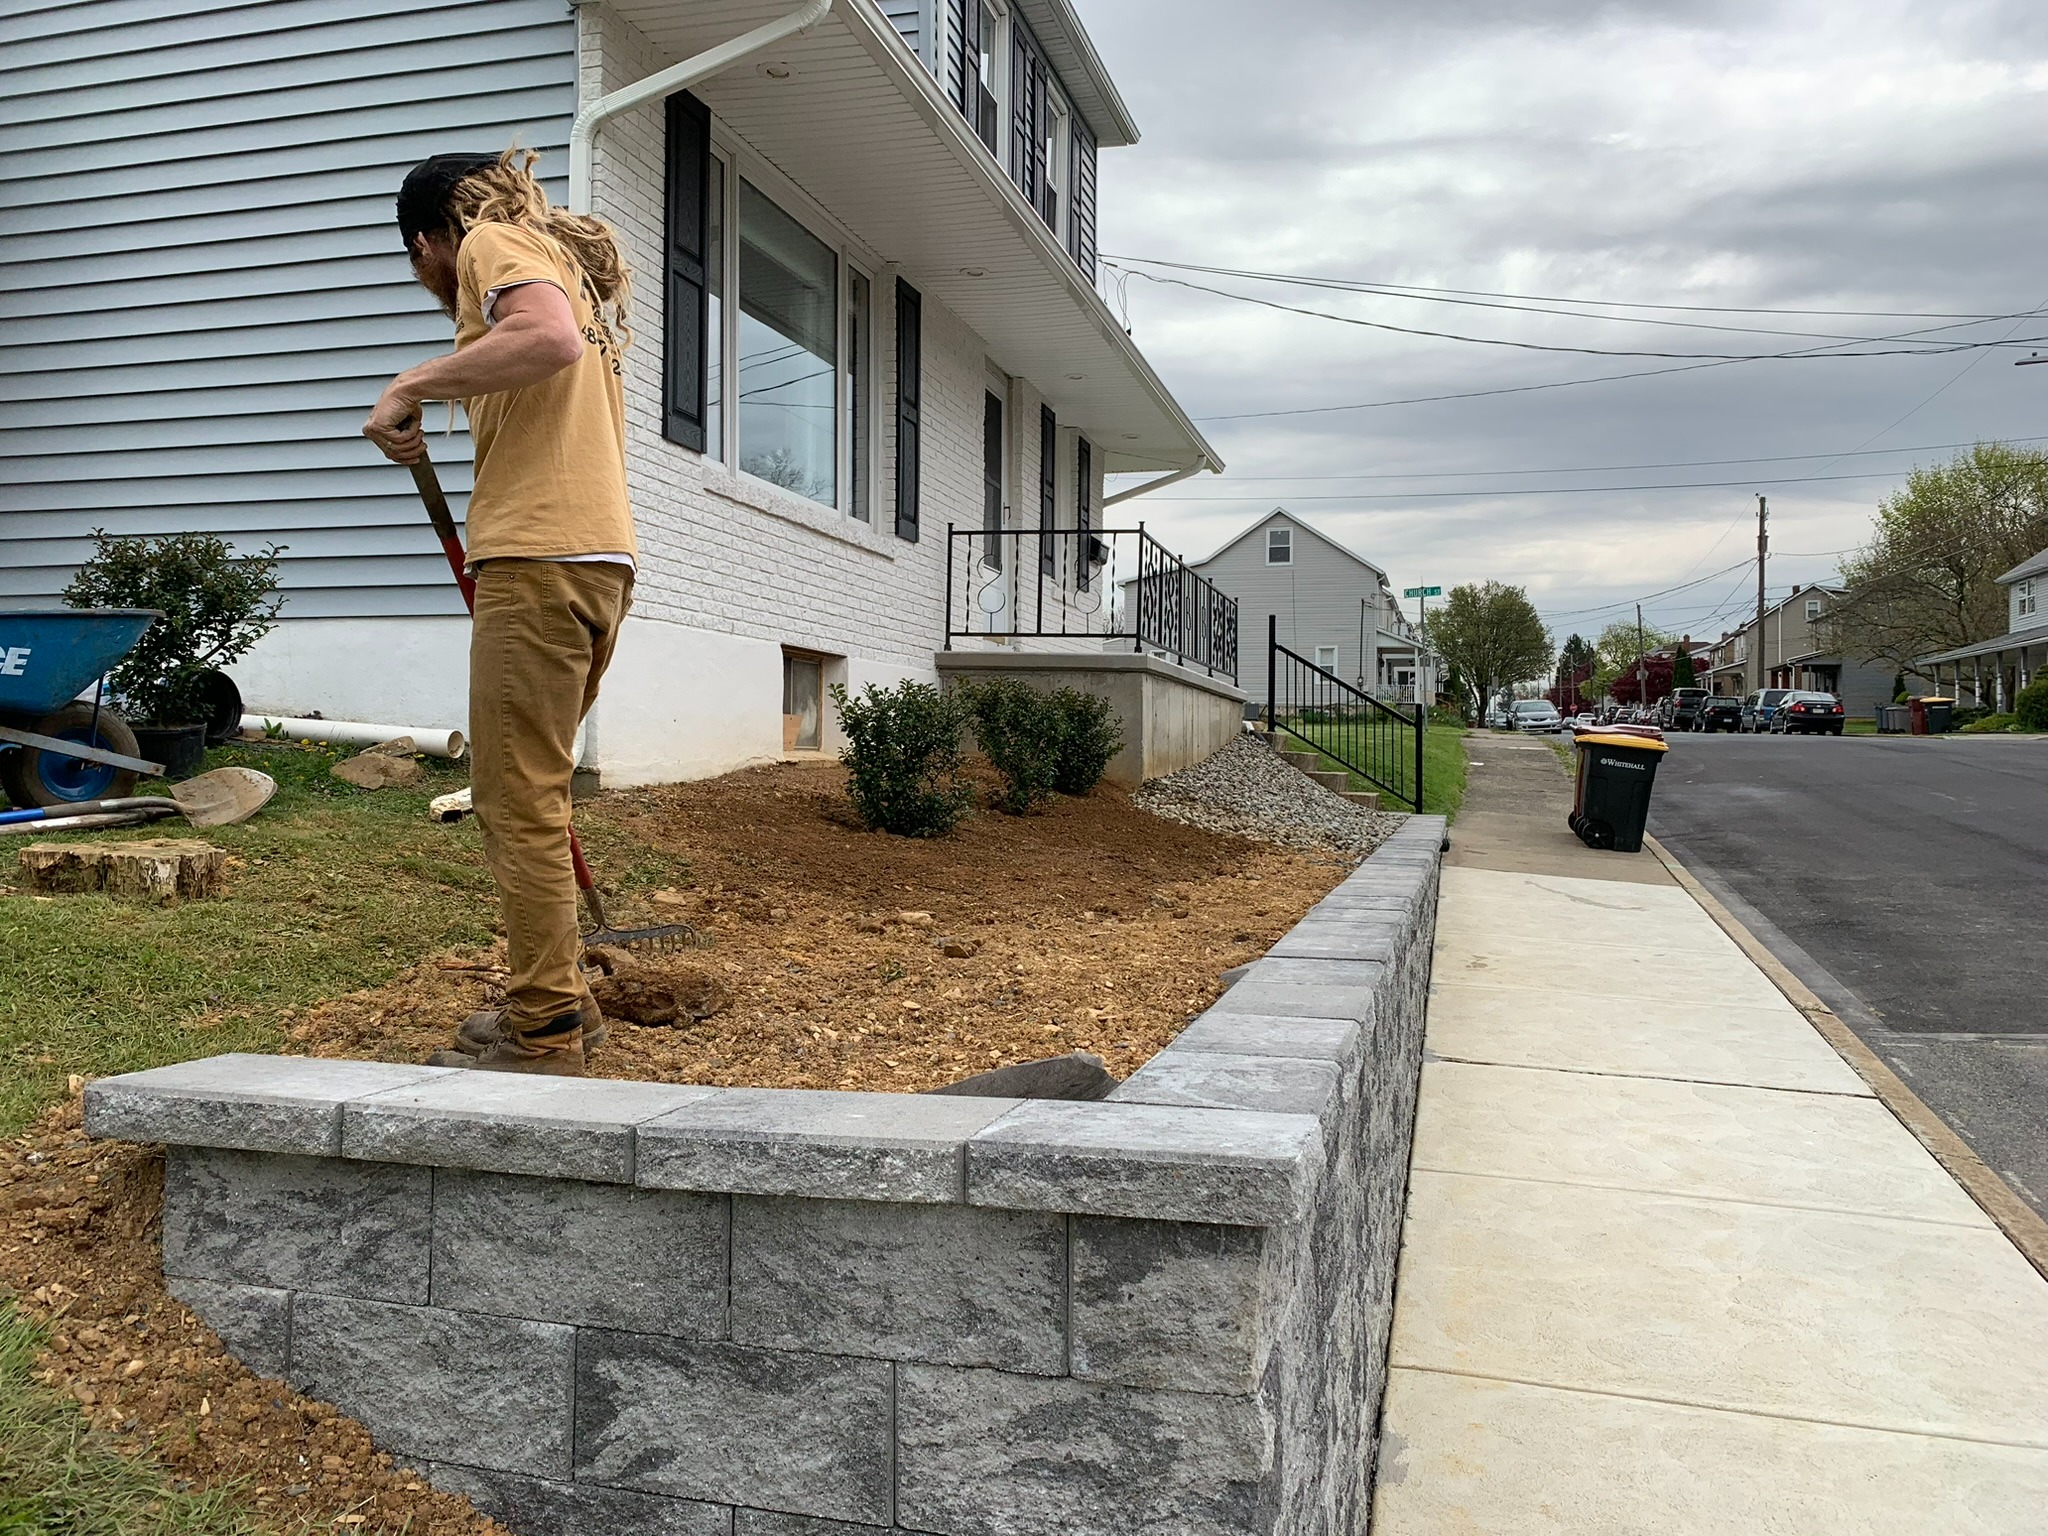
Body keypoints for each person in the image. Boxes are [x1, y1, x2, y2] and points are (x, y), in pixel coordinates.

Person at [362, 149, 636, 1076]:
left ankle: (546, 1032)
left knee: (513, 801)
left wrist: (411, 385)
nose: (432, 283)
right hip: (597, 563)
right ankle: (569, 1006)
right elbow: (546, 366)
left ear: (425, 241)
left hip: (539, 562)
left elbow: (545, 340)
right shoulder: (560, 265)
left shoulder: (489, 241)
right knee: (538, 791)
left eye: (418, 266)